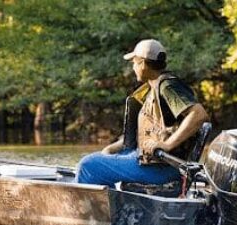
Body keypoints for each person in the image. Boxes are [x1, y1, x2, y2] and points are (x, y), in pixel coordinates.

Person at [76, 39, 208, 186]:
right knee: (100, 159)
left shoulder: (167, 86)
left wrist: (168, 144)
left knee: (88, 166)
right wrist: (116, 146)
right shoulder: (152, 88)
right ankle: (111, 205)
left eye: (134, 62)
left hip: (161, 167)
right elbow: (147, 132)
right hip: (148, 161)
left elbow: (198, 114)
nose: (133, 67)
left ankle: (96, 208)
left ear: (143, 63)